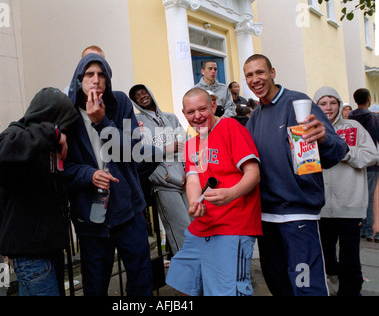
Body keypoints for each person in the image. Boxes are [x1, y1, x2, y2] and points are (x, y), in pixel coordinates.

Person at [243, 54, 349, 296]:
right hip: (266, 218)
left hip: (298, 215)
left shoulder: (298, 102)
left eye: (260, 72)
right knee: (278, 285)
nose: (255, 79)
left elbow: (339, 150)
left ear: (272, 72)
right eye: (249, 75)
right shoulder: (256, 116)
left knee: (306, 288)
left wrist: (324, 139)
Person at [64, 53, 153, 296]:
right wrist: (89, 174)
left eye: (102, 74)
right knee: (95, 284)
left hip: (128, 208)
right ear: (79, 79)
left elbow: (132, 152)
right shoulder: (67, 113)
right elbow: (64, 167)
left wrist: (102, 122)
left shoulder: (120, 103)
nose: (96, 80)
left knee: (140, 277)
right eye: (90, 74)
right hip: (90, 216)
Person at [166, 88, 262, 296]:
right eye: (191, 112)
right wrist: (194, 203)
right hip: (201, 227)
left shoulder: (229, 127)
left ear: (213, 106)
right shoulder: (191, 143)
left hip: (233, 226)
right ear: (184, 114)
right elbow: (192, 178)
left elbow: (253, 173)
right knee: (183, 283)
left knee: (227, 291)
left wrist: (231, 193)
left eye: (202, 109)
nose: (197, 116)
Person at [0, 87, 79, 296]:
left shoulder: (45, 148)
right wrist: (52, 132)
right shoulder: (15, 135)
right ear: (47, 116)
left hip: (49, 252)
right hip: (32, 258)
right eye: (62, 124)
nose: (64, 131)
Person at [314, 86, 377, 296]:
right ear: (316, 106)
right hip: (321, 207)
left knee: (350, 257)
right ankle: (331, 284)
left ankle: (351, 291)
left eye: (333, 102)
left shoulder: (354, 127)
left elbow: (371, 155)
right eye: (323, 103)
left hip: (350, 206)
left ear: (340, 104)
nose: (328, 107)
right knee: (326, 256)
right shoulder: (310, 130)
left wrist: (344, 151)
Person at [129, 84, 191, 255]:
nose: (142, 96)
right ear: (135, 102)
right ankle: (187, 275)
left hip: (185, 179)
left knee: (194, 225)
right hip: (164, 182)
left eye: (144, 92)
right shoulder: (137, 122)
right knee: (180, 230)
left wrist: (189, 171)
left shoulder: (171, 118)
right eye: (137, 96)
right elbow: (141, 153)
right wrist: (165, 148)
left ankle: (201, 268)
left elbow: (185, 145)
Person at [350, 88, 379, 242]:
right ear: (368, 99)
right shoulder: (372, 118)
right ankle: (370, 230)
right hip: (371, 163)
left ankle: (362, 227)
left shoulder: (349, 117)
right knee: (372, 196)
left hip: (353, 162)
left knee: (360, 196)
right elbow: (374, 142)